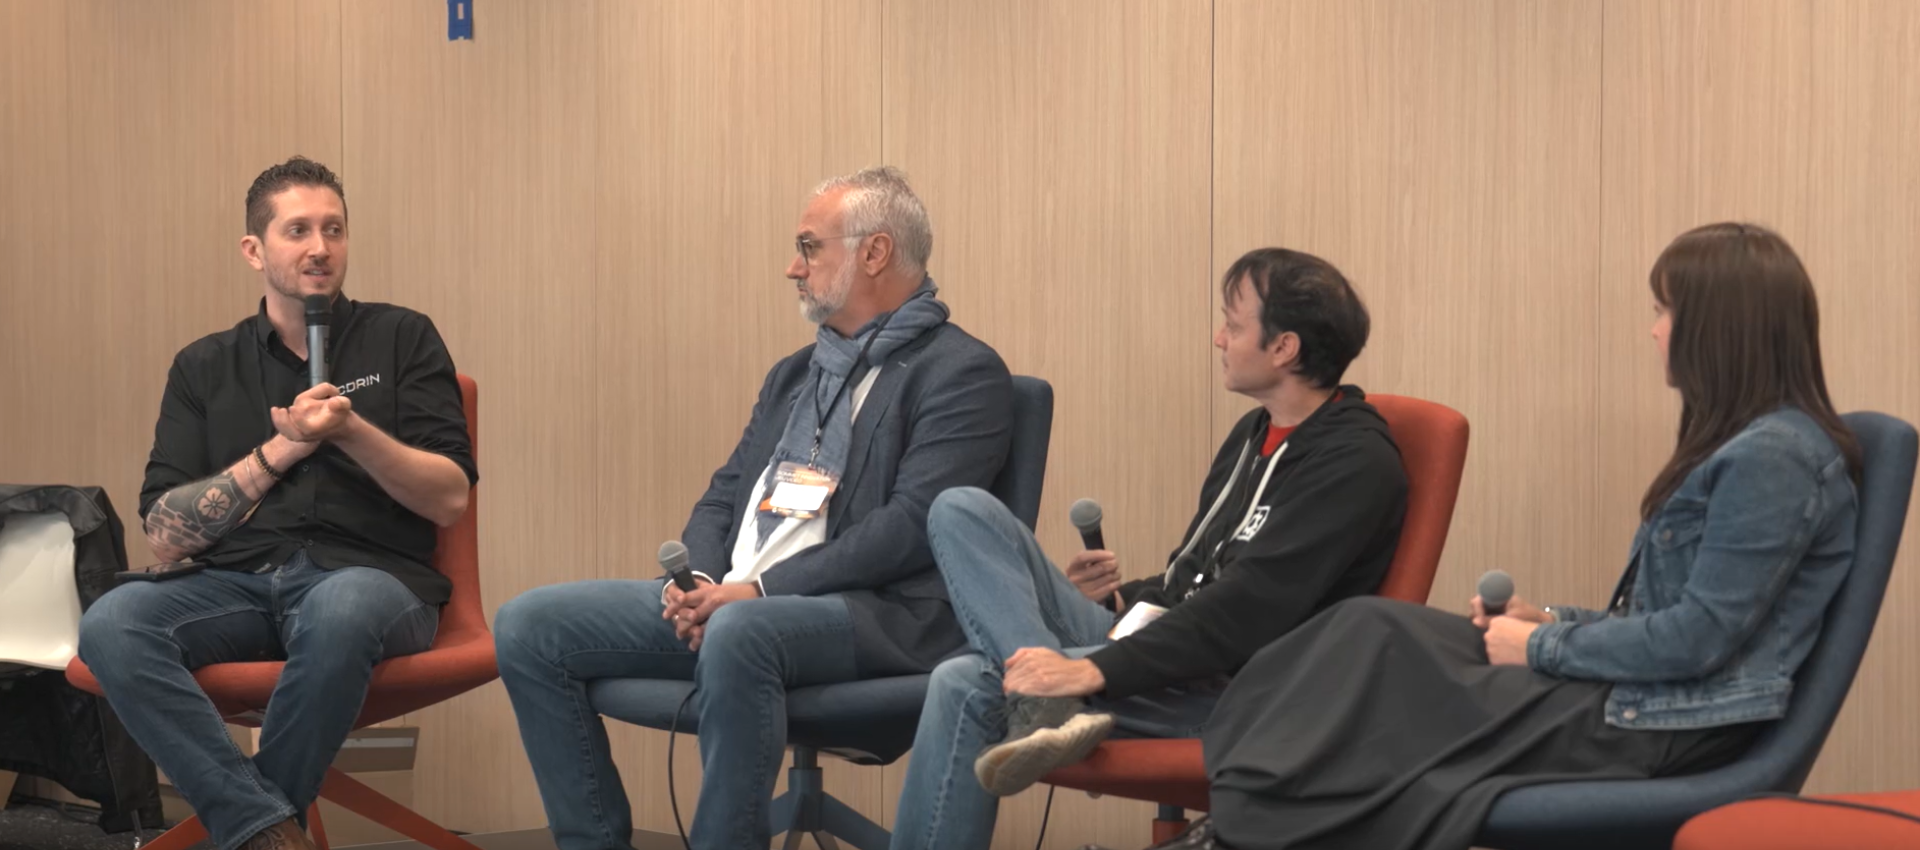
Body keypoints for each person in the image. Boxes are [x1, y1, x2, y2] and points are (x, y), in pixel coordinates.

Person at [1090, 223, 1862, 850]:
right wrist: (1547, 620)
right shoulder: (1751, 447)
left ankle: (1232, 831)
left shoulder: (1774, 459)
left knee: (1377, 682)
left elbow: (1697, 641)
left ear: (1719, 329)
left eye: (1665, 312)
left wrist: (1542, 646)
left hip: (1662, 725)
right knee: (1366, 628)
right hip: (1641, 695)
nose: (1652, 330)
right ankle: (1235, 823)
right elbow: (1664, 623)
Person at [494, 167, 1015, 850]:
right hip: (737, 599)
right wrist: (703, 582)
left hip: (872, 614)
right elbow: (726, 491)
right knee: (529, 626)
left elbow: (911, 527)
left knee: (742, 630)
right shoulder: (798, 373)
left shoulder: (961, 372)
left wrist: (758, 592)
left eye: (809, 247)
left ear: (875, 252)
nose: (792, 268)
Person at [890, 248, 1410, 849]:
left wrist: (1090, 671)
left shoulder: (1354, 464)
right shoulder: (1255, 433)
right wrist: (1117, 603)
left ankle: (1048, 700)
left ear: (1284, 348)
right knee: (960, 507)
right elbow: (1192, 577)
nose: (1219, 338)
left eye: (1233, 325)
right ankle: (1046, 703)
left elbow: (1244, 614)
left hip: (1241, 694)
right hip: (1171, 656)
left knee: (966, 681)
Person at [77, 157, 477, 850]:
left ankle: (250, 829)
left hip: (374, 583)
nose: (320, 247)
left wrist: (350, 431)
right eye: (298, 230)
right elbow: (165, 536)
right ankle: (266, 830)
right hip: (236, 585)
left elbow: (449, 499)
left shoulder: (402, 337)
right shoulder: (204, 366)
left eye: (334, 229)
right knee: (112, 623)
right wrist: (283, 450)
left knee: (341, 607)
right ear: (254, 250)